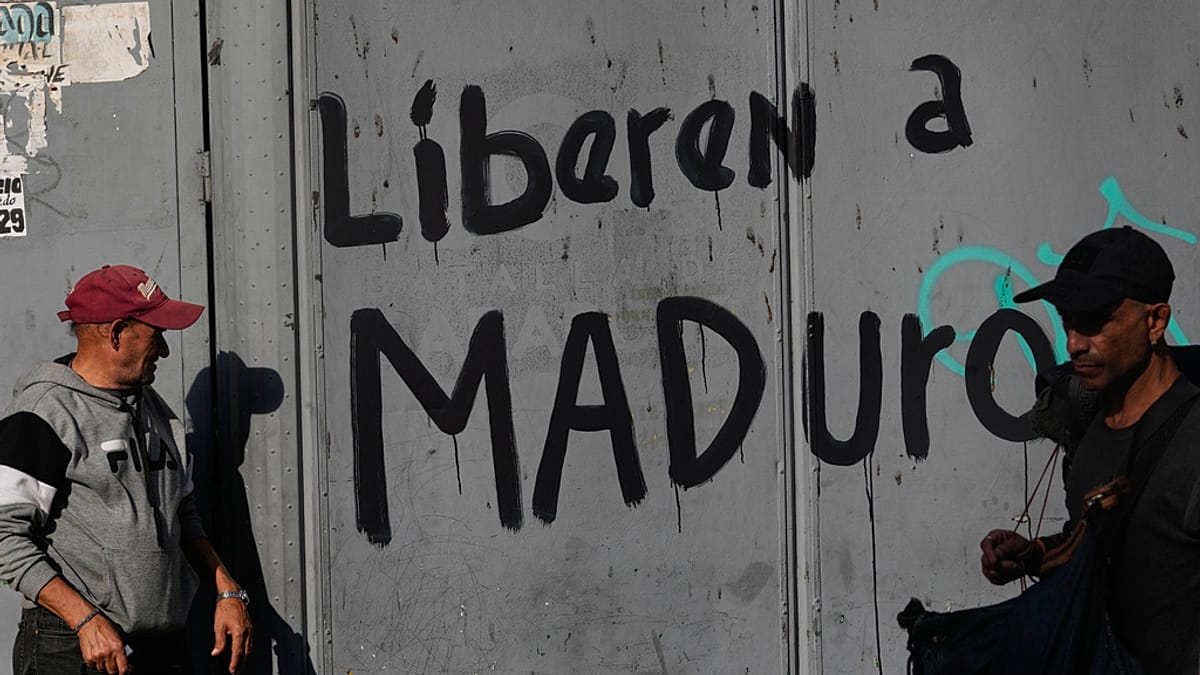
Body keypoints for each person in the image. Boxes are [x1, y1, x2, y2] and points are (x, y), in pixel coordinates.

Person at [0, 265, 253, 674]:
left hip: (161, 646)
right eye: (157, 335)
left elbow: (182, 512)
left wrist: (226, 588)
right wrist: (84, 620)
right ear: (117, 333)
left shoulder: (155, 410)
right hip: (75, 647)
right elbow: (4, 537)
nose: (164, 350)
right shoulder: (45, 412)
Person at [979, 227, 1200, 673]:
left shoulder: (1193, 439)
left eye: (1096, 321)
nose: (1074, 343)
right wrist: (1034, 554)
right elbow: (1105, 548)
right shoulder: (1093, 426)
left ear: (1155, 322)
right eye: (1068, 321)